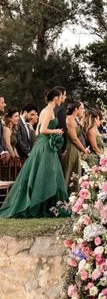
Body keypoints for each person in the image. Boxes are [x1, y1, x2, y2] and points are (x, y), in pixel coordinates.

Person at [0, 88, 69, 218]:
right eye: (62, 97)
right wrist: (56, 132)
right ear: (56, 98)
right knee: (45, 176)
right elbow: (42, 130)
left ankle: (46, 205)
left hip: (42, 146)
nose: (62, 99)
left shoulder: (44, 111)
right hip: (45, 148)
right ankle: (42, 206)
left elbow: (37, 132)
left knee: (43, 176)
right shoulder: (48, 111)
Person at [61, 101, 88, 189]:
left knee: (75, 173)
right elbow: (74, 139)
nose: (84, 111)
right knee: (68, 172)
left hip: (75, 150)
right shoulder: (69, 119)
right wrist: (84, 150)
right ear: (76, 109)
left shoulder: (75, 119)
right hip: (70, 150)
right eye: (82, 108)